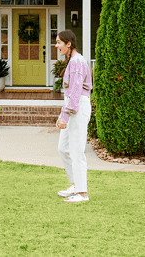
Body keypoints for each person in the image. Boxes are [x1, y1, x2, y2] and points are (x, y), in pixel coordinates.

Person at [54, 29, 92, 202]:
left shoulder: (77, 61)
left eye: (59, 42)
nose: (56, 46)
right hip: (72, 107)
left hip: (78, 108)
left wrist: (65, 116)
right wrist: (63, 114)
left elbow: (76, 92)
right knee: (63, 148)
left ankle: (82, 193)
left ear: (68, 44)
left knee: (77, 151)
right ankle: (76, 185)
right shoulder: (72, 61)